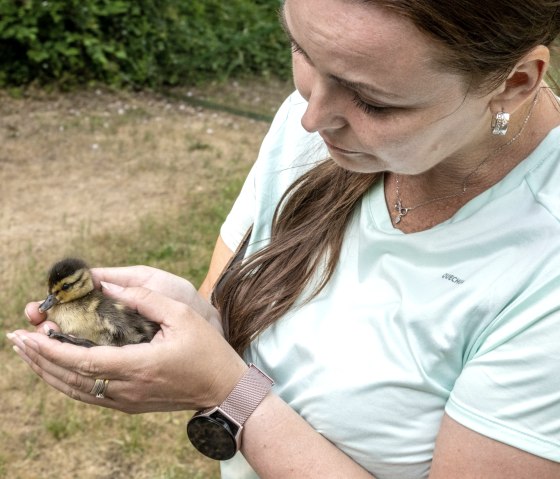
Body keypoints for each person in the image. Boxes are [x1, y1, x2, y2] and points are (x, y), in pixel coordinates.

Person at [7, 0, 560, 477]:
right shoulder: (315, 127)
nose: (310, 117)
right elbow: (245, 333)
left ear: (514, 84)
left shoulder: (544, 267)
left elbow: (231, 384)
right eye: (301, 51)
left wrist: (229, 395)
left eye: (373, 101)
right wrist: (196, 322)